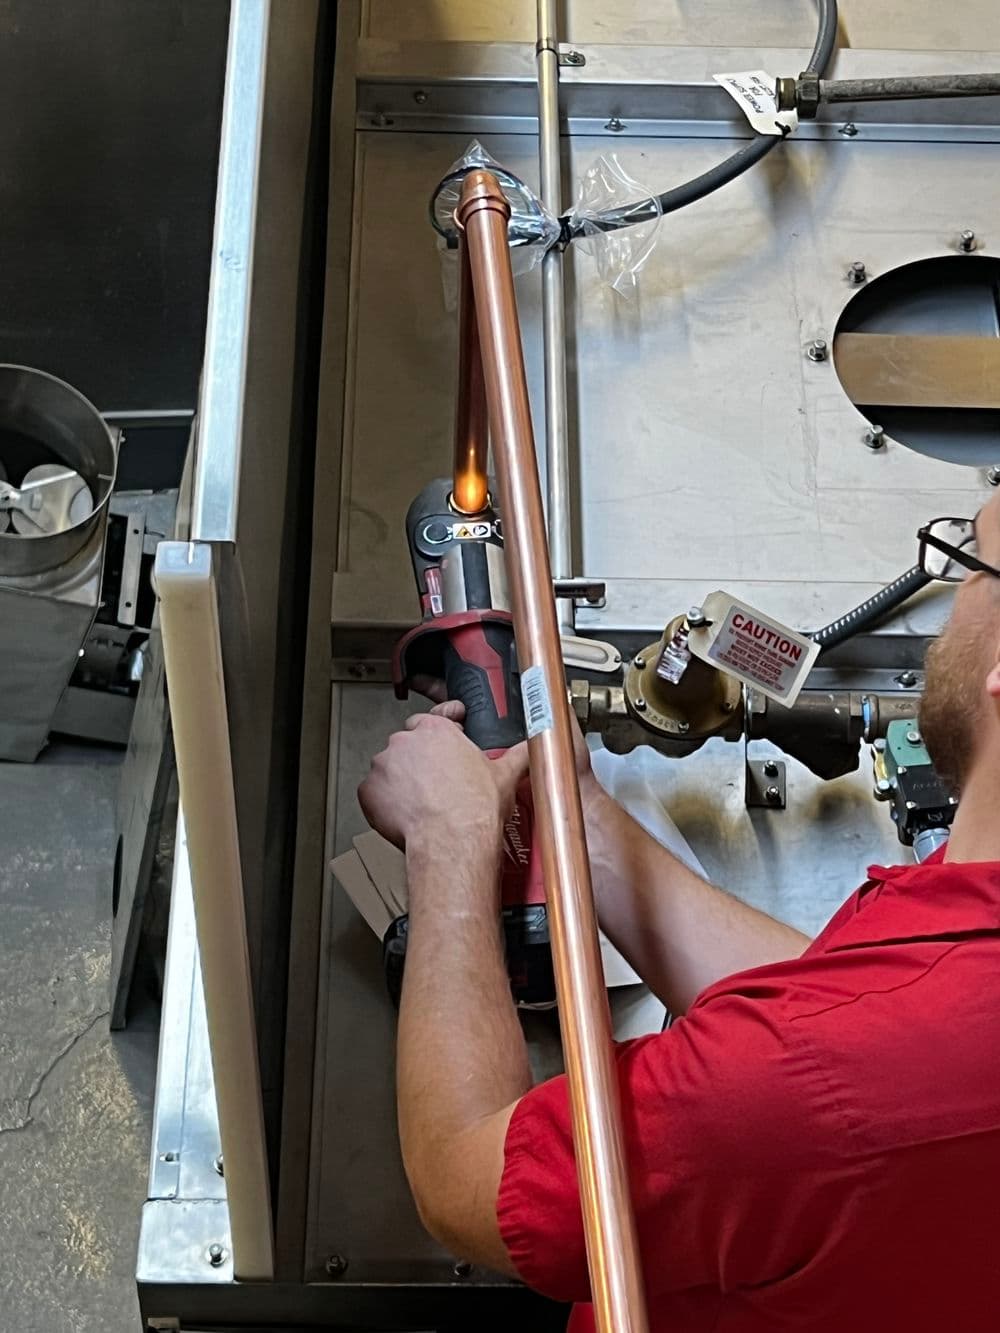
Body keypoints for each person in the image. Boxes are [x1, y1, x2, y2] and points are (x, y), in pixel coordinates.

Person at [358, 499, 1000, 1332]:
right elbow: (845, 1006)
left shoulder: (814, 1085)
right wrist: (581, 820)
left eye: (973, 562)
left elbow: (461, 1175)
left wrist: (448, 840)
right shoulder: (940, 969)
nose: (954, 602)